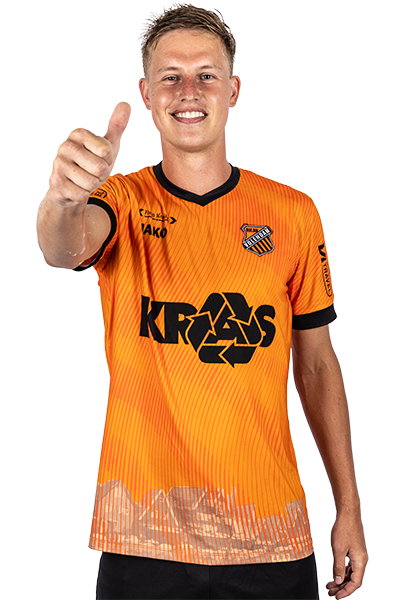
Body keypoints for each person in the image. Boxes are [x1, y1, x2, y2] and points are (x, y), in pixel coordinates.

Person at [36, 3, 368, 599]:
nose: (188, 92)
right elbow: (64, 249)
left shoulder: (293, 213)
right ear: (146, 93)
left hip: (269, 537)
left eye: (206, 75)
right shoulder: (121, 201)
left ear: (233, 90)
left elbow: (318, 364)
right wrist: (61, 199)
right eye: (170, 76)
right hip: (144, 540)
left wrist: (350, 506)